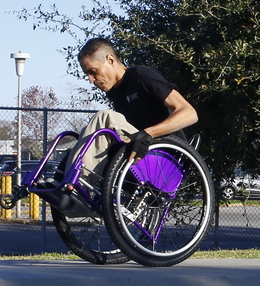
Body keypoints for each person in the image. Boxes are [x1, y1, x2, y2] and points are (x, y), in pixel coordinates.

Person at [56, 38, 199, 183]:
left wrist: (148, 133)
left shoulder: (141, 76)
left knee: (104, 117)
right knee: (88, 133)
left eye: (93, 72)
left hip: (166, 157)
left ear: (110, 60)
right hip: (137, 153)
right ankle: (63, 180)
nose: (91, 80)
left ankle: (77, 184)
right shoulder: (115, 94)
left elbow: (189, 113)